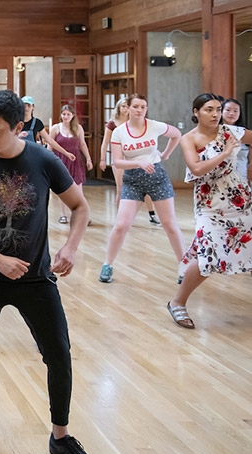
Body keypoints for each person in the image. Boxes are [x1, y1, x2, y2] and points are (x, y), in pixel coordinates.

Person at [0, 89, 96, 454]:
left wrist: (71, 249)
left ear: (18, 127)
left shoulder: (43, 160)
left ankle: (60, 436)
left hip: (36, 279)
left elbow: (80, 207)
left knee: (59, 355)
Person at [167, 93, 252, 329]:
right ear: (196, 112)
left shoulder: (232, 132)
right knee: (209, 256)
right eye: (209, 110)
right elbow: (196, 168)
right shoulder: (189, 139)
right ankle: (177, 302)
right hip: (209, 201)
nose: (215, 114)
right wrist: (224, 153)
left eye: (218, 109)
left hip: (239, 197)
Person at [99, 94, 184, 283]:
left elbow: (176, 135)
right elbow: (118, 162)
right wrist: (138, 162)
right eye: (135, 106)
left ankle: (183, 266)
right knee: (121, 225)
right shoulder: (119, 132)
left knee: (170, 224)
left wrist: (166, 154)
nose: (139, 110)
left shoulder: (154, 125)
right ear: (127, 108)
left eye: (143, 107)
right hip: (133, 179)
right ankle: (107, 264)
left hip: (157, 177)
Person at [99, 97, 159, 224]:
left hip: (137, 159)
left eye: (128, 106)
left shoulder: (135, 122)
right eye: (123, 106)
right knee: (121, 188)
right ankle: (121, 217)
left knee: (146, 187)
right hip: (120, 160)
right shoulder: (112, 124)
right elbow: (105, 143)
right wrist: (102, 159)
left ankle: (152, 214)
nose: (126, 109)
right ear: (119, 108)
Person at [48, 105, 94, 224]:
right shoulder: (55, 128)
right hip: (60, 161)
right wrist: (48, 162)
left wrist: (88, 159)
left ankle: (83, 215)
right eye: (64, 114)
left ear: (73, 115)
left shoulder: (78, 128)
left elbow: (83, 145)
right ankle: (63, 215)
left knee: (78, 189)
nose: (66, 116)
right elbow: (50, 145)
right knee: (63, 189)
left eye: (68, 114)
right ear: (61, 115)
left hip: (75, 161)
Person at [19, 96, 76, 161]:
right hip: (17, 155)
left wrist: (66, 153)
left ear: (33, 107)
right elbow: (9, 138)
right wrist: (18, 136)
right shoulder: (15, 122)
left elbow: (50, 140)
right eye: (24, 105)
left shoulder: (37, 123)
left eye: (29, 105)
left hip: (31, 156)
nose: (26, 108)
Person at [222, 98, 250, 182]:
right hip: (221, 177)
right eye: (228, 110)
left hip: (241, 176)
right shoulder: (215, 131)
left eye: (235, 111)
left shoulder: (244, 132)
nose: (231, 113)